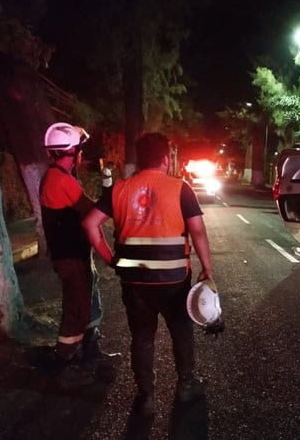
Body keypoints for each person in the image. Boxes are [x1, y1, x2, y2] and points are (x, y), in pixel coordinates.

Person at [82, 132, 216, 417]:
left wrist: (110, 259)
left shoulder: (118, 189)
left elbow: (90, 224)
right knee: (181, 330)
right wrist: (207, 268)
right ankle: (186, 384)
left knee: (142, 337)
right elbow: (198, 230)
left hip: (135, 282)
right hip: (174, 281)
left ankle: (146, 396)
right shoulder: (181, 188)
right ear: (166, 159)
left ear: (140, 160)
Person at [40, 122, 107, 387]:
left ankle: (90, 352)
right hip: (70, 258)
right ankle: (64, 365)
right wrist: (112, 197)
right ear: (71, 151)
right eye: (79, 149)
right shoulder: (61, 180)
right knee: (76, 309)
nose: (82, 154)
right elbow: (92, 212)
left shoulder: (58, 176)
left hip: (75, 255)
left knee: (88, 301)